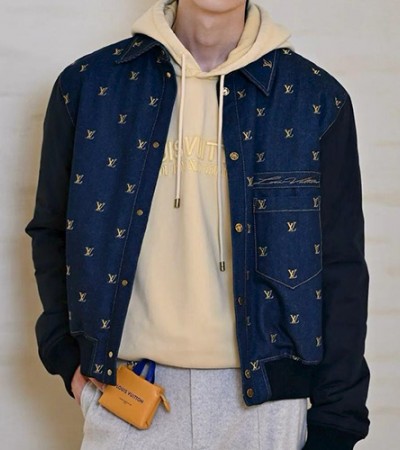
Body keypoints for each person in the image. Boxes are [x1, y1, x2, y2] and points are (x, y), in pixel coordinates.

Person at [25, 0, 370, 449]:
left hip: (267, 406)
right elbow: (52, 230)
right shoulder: (91, 86)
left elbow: (341, 265)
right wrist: (66, 357)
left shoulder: (316, 99)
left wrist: (338, 421)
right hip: (129, 394)